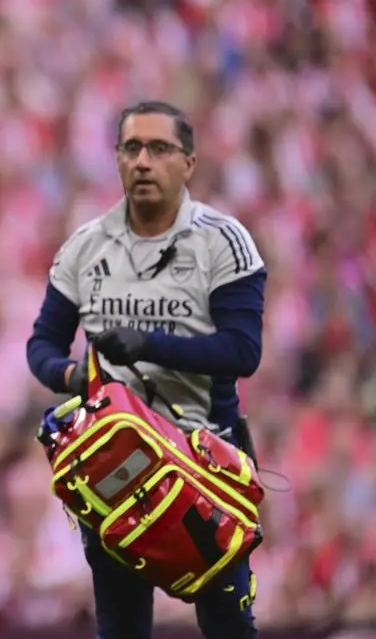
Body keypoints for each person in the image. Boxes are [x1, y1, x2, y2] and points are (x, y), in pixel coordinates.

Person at [26, 100, 266, 639]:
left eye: (160, 149)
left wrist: (146, 345)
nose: (143, 161)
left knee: (229, 625)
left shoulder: (224, 242)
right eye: (132, 148)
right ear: (116, 159)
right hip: (118, 469)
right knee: (121, 628)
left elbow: (242, 351)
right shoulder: (84, 247)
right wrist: (76, 379)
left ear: (189, 162)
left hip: (206, 464)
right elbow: (41, 344)